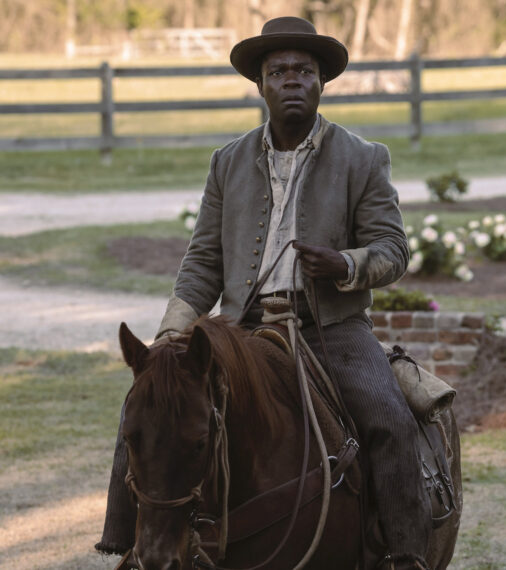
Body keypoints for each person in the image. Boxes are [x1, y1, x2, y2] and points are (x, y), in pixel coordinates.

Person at [96, 16, 431, 570]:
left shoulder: (363, 157)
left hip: (333, 330)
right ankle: (130, 542)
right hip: (241, 333)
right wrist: (169, 338)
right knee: (149, 405)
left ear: (322, 81)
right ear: (261, 85)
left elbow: (394, 250)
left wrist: (345, 263)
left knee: (388, 417)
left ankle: (404, 554)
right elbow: (203, 260)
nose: (292, 79)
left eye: (305, 69)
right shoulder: (227, 161)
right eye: (279, 71)